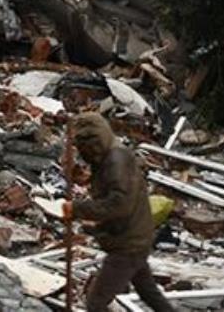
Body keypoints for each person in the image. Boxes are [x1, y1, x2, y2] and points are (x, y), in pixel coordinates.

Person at [63, 112, 175, 312]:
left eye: (84, 148)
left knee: (96, 303)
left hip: (128, 243)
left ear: (94, 142)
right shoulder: (111, 156)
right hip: (134, 236)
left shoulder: (116, 160)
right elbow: (112, 188)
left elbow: (119, 204)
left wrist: (78, 209)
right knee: (149, 292)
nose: (83, 153)